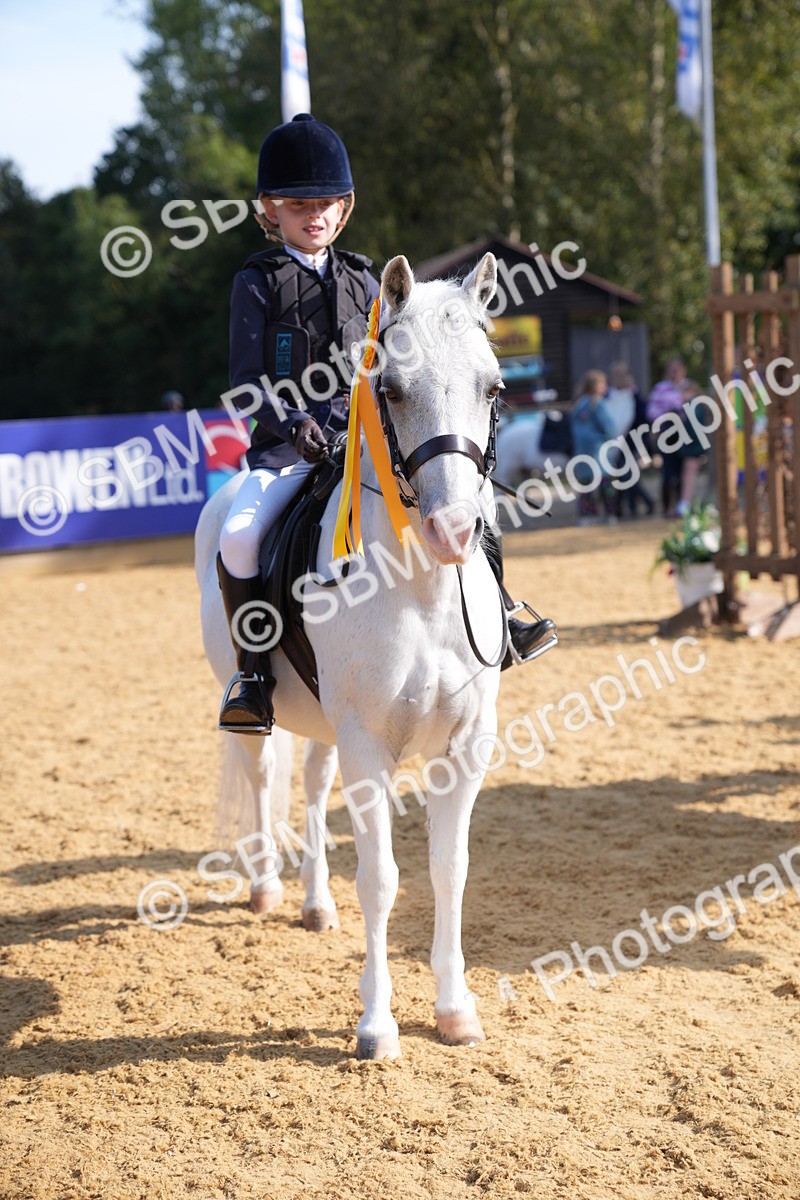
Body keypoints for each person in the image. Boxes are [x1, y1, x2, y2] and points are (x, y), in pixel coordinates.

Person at [217, 113, 556, 734]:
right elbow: (246, 383)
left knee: (474, 503)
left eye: (324, 204)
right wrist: (293, 425)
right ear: (270, 209)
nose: (313, 216)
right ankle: (254, 676)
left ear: (343, 208)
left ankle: (504, 616)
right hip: (288, 454)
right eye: (298, 206)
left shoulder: (365, 278)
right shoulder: (256, 282)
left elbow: (395, 370)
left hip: (368, 448)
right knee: (239, 538)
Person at [605, 361, 654, 518]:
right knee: (621, 475)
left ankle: (642, 503)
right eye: (616, 375)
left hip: (632, 442)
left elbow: (643, 418)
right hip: (613, 443)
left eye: (621, 374)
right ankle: (623, 508)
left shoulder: (634, 395)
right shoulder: (609, 395)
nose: (619, 378)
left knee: (627, 475)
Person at [569, 370, 615, 524]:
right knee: (605, 483)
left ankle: (587, 515)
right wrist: (612, 441)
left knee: (586, 484)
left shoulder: (579, 404)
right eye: (603, 384)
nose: (605, 387)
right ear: (595, 386)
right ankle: (610, 513)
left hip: (582, 451)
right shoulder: (598, 404)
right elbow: (609, 428)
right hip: (598, 450)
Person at [646, 356, 687, 516]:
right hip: (667, 431)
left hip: (686, 432)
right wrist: (668, 413)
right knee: (668, 471)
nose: (674, 372)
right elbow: (651, 412)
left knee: (684, 470)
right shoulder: (660, 388)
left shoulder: (689, 387)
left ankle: (681, 505)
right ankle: (667, 506)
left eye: (677, 369)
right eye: (672, 369)